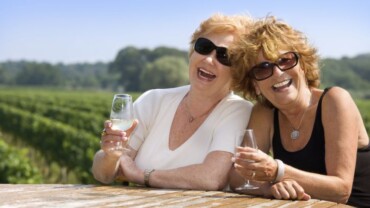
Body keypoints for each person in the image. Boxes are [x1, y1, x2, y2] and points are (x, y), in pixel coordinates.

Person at [92, 13, 254, 191]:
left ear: (239, 72)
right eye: (204, 46)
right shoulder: (154, 100)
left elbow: (211, 178)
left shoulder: (237, 110)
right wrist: (110, 156)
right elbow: (103, 175)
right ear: (192, 51)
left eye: (224, 56)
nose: (209, 59)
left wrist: (140, 175)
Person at [228, 16, 370, 207]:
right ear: (255, 85)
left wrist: (277, 171)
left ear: (302, 65)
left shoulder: (335, 100)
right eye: (263, 68)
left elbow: (341, 191)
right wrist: (269, 188)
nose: (278, 72)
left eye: (285, 60)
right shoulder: (265, 112)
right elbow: (238, 177)